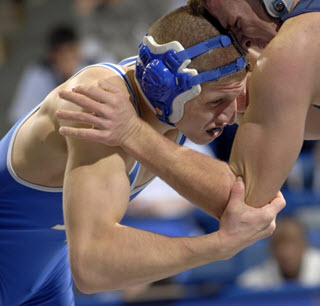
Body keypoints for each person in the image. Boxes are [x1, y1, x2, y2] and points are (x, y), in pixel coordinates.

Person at [0, 6, 284, 305]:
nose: (229, 115)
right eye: (217, 101)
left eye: (235, 95)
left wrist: (135, 134)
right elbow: (92, 266)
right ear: (167, 90)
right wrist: (217, 247)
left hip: (45, 280)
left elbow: (249, 204)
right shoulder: (96, 103)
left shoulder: (195, 93)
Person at [56, 0, 320, 214]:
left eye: (238, 26)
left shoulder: (293, 50)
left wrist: (133, 133)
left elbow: (246, 204)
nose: (248, 44)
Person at [8, 24, 83, 124]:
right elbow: (24, 119)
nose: (69, 60)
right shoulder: (38, 74)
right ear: (53, 55)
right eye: (63, 55)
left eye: (72, 52)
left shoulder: (90, 65)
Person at [237, 216, 320, 289]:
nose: (286, 252)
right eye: (278, 244)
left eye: (292, 242)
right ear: (270, 248)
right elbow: (244, 286)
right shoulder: (252, 282)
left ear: (305, 244)